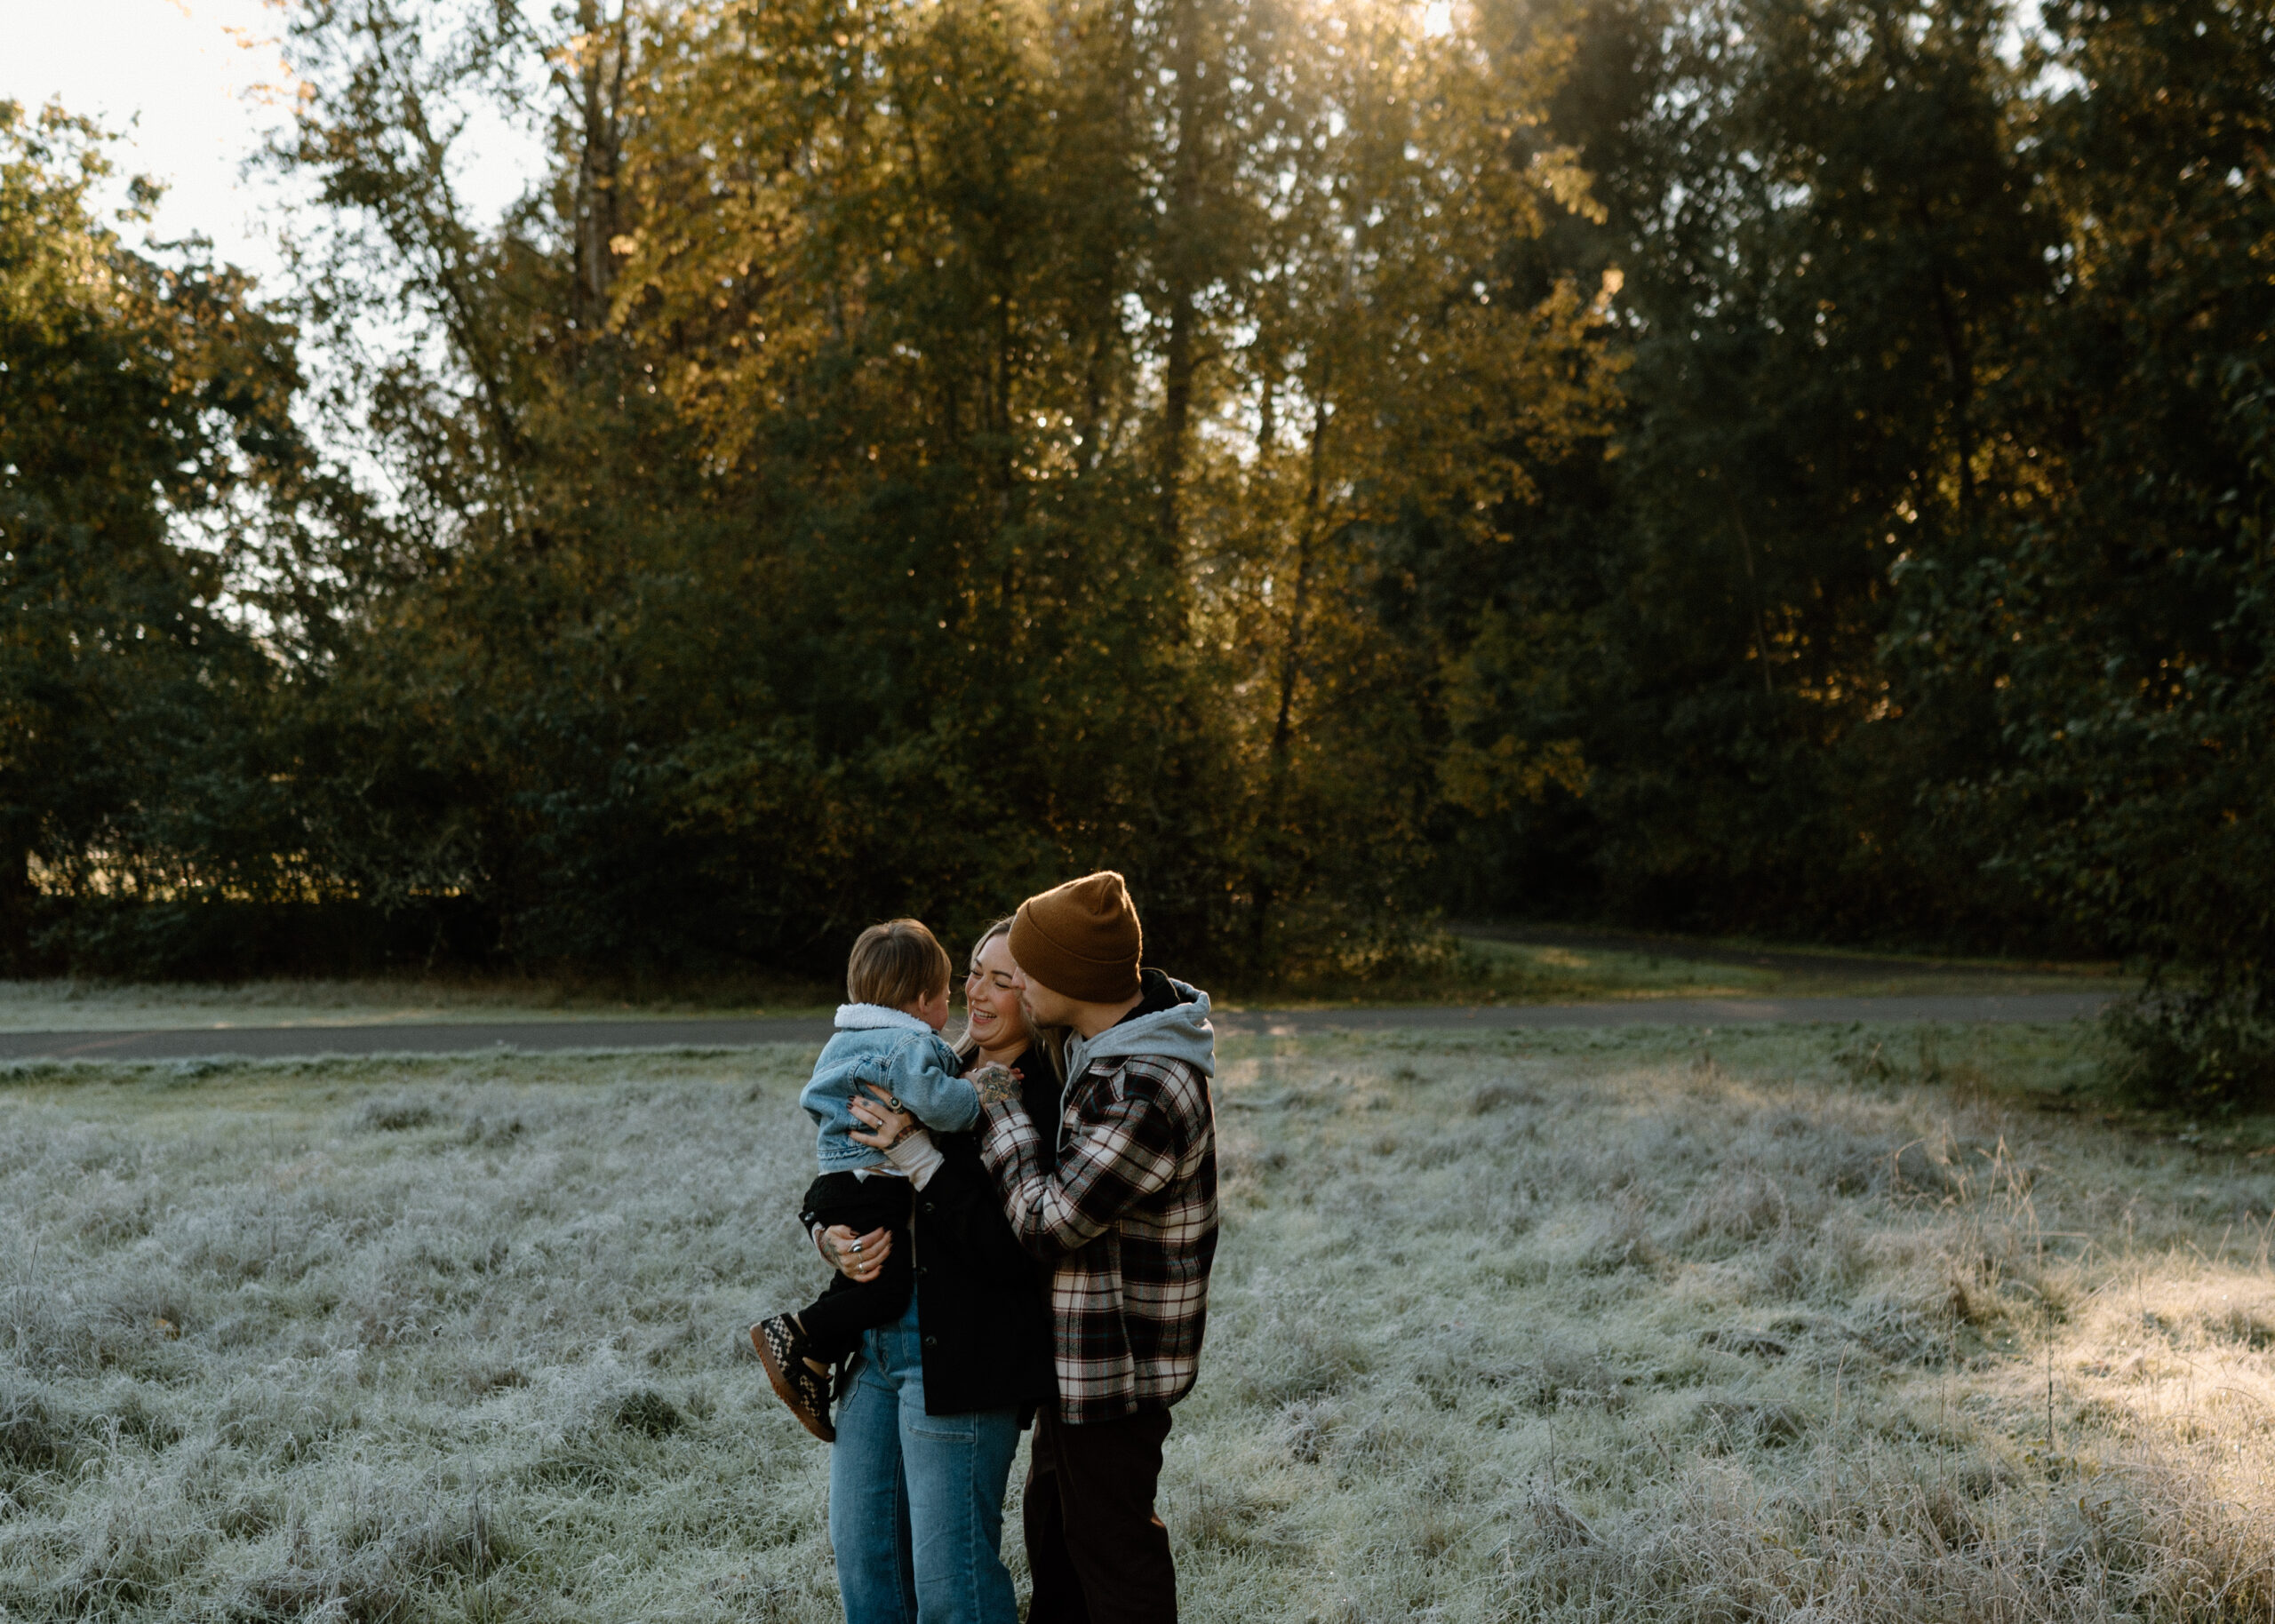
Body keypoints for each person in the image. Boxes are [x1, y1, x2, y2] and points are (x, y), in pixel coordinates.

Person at [858, 874, 1218, 1624]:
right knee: (1059, 1542)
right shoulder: (1102, 1051)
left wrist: (996, 1104)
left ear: (1066, 978)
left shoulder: (1145, 1086)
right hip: (1077, 1358)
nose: (1001, 986)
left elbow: (1048, 1224)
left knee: (1112, 1553)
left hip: (1119, 1366)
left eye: (1019, 971)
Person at [811, 919, 1058, 1624]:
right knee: (867, 1568)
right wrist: (828, 1235)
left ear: (1039, 998)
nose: (975, 991)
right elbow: (841, 1166)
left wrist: (920, 1153)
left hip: (960, 1356)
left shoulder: (1035, 1099)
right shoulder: (925, 1063)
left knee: (954, 1590)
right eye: (974, 971)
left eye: (1000, 980)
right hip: (877, 1348)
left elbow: (1017, 1249)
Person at [753, 919, 981, 1443]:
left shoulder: (843, 1041)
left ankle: (812, 1362)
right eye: (946, 997)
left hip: (835, 1179)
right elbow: (940, 1106)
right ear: (924, 1000)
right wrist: (980, 1096)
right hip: (876, 1179)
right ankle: (799, 1330)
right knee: (888, 1289)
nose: (950, 1011)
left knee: (860, 1276)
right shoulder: (909, 1046)